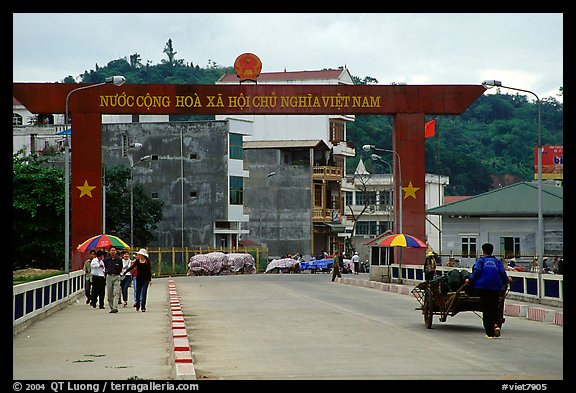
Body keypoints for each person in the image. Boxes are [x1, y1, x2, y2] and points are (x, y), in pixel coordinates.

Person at [465, 243, 512, 338]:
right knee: (494, 307)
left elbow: (477, 271)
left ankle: (489, 333)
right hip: (495, 287)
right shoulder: (497, 261)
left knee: (486, 309)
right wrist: (507, 280)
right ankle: (496, 325)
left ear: (483, 251)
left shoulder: (481, 261)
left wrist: (469, 280)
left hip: (483, 287)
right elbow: (502, 273)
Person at [103, 246, 123, 313]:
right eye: (112, 250)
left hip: (116, 276)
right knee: (109, 294)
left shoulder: (119, 260)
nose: (113, 252)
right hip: (109, 277)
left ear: (116, 251)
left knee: (116, 292)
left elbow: (120, 268)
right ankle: (111, 307)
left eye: (114, 250)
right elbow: (105, 267)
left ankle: (115, 307)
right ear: (109, 251)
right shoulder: (106, 260)